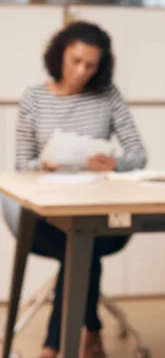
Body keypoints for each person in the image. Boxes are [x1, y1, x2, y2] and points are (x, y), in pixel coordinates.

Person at [16, 21, 147, 358]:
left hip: (99, 210)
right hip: (44, 219)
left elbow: (138, 155)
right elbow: (21, 166)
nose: (81, 71)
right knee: (82, 249)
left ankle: (52, 348)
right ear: (59, 55)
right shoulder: (34, 98)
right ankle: (90, 331)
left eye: (90, 65)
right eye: (75, 61)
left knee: (84, 242)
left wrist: (114, 164)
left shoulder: (108, 96)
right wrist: (44, 164)